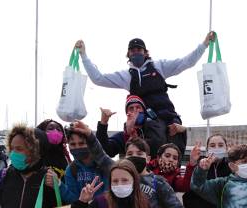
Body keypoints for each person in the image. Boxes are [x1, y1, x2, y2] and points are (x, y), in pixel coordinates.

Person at [74, 31, 216, 155]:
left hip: (167, 116)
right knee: (150, 140)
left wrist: (204, 44)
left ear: (145, 52)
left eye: (139, 50)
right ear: (128, 54)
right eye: (132, 50)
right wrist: (84, 55)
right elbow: (98, 79)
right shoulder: (126, 76)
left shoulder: (159, 66)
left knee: (176, 141)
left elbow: (186, 62)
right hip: (145, 121)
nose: (136, 53)